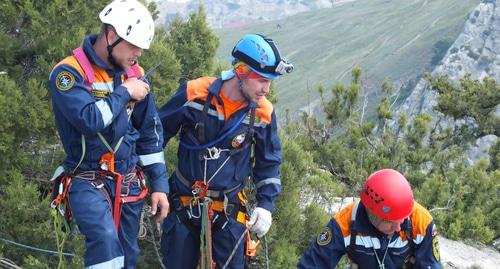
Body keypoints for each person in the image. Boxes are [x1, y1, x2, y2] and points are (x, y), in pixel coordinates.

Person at [48, 1, 169, 268]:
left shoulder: (134, 76)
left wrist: (159, 185)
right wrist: (125, 92)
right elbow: (89, 120)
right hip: (86, 180)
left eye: (141, 47)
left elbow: (149, 134)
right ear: (112, 36)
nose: (138, 54)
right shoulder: (68, 74)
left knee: (128, 258)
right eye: (133, 45)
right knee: (105, 244)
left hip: (127, 182)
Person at [158, 34, 293, 268]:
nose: (266, 89)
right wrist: (155, 185)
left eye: (270, 81)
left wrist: (266, 206)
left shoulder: (262, 113)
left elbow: (268, 163)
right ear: (241, 71)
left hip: (229, 212)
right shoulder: (195, 93)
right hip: (183, 205)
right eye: (261, 80)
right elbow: (155, 136)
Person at [298, 169, 442, 269]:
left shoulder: (421, 222)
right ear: (372, 215)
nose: (398, 227)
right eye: (391, 222)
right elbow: (313, 264)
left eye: (403, 219)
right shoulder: (344, 224)